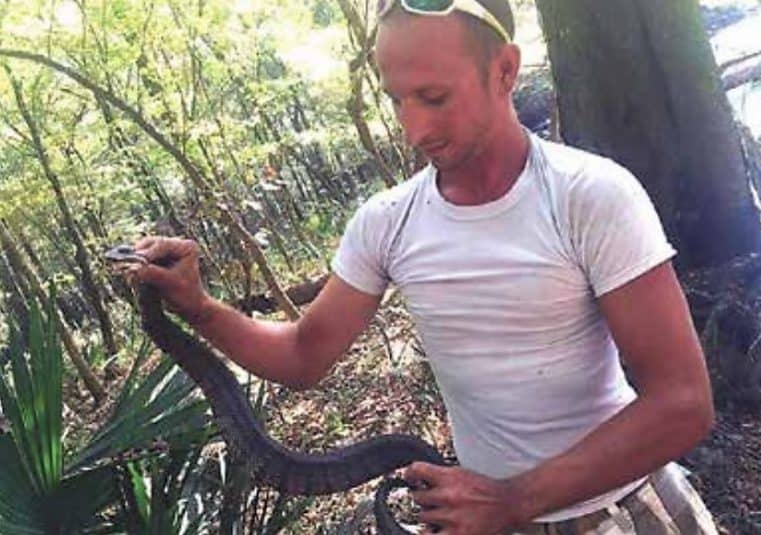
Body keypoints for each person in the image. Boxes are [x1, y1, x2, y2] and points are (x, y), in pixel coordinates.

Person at [133, 1, 718, 533]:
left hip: (625, 511)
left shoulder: (589, 196)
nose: (413, 129)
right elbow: (302, 356)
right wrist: (198, 307)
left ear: (505, 71)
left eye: (435, 98)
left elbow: (683, 401)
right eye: (396, 99)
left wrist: (515, 498)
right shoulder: (387, 221)